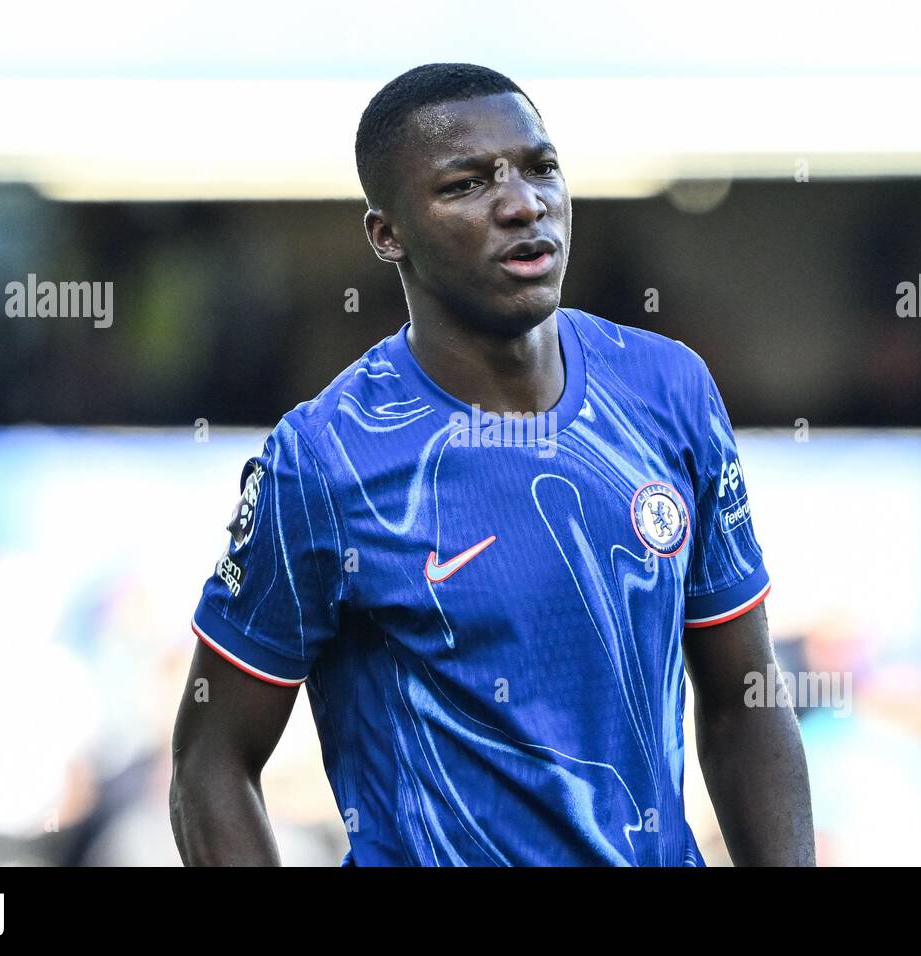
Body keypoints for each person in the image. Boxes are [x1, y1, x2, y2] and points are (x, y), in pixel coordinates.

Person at [169, 62, 814, 866]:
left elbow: (742, 702)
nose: (522, 203)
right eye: (467, 185)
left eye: (541, 167)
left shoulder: (669, 389)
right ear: (386, 234)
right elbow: (210, 764)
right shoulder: (323, 460)